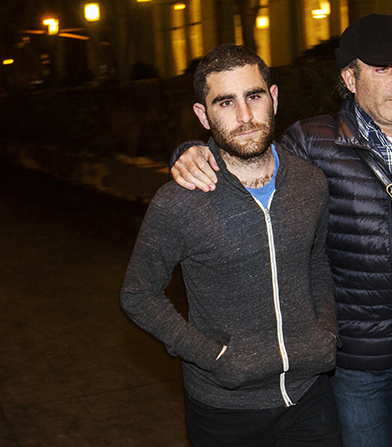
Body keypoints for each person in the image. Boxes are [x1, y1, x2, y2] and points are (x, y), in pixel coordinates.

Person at [170, 14, 392, 447]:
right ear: (350, 78)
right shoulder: (313, 144)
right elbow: (247, 150)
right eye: (382, 69)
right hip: (354, 357)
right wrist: (191, 152)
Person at [120, 44, 342, 447]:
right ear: (203, 115)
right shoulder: (180, 200)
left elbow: (317, 261)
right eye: (225, 102)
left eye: (254, 96)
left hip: (312, 397)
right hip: (224, 410)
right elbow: (138, 294)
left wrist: (324, 332)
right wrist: (213, 357)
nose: (244, 117)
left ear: (273, 98)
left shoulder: (310, 184)